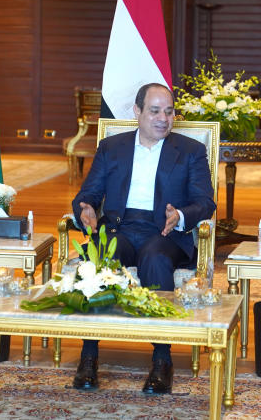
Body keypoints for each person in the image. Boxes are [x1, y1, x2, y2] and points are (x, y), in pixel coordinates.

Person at [71, 82, 215, 394]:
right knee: (100, 256)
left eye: (169, 111)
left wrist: (180, 215)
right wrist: (86, 210)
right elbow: (89, 193)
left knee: (155, 257)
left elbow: (205, 202)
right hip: (119, 228)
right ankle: (88, 356)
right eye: (155, 111)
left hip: (164, 232)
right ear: (137, 111)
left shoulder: (190, 151)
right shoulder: (112, 147)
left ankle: (162, 360)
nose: (163, 118)